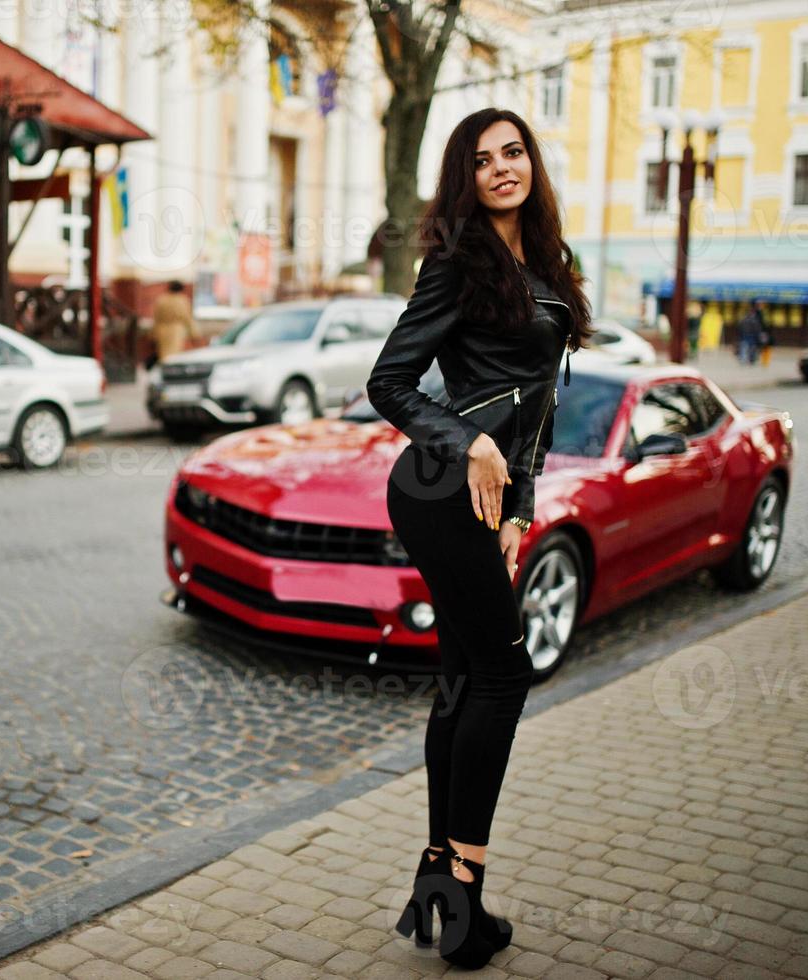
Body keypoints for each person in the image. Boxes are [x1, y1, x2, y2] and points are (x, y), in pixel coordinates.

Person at [366, 108, 594, 968]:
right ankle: (463, 893)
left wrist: (521, 506)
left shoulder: (547, 264)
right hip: (437, 487)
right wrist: (470, 443)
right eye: (484, 158)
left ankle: (440, 885)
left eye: (515, 151)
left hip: (489, 498)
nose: (503, 167)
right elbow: (387, 382)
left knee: (462, 681)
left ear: (531, 162)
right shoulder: (457, 262)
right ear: (464, 175)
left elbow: (537, 402)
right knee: (505, 672)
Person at [147, 280, 198, 368]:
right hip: (176, 330)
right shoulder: (182, 300)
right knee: (173, 354)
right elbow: (187, 318)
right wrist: (194, 332)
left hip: (162, 330)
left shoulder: (162, 299)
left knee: (164, 354)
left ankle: (164, 370)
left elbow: (156, 318)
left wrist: (153, 333)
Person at [737, 299, 764, 365]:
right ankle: (748, 360)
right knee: (749, 348)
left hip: (748, 335)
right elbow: (757, 328)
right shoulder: (753, 319)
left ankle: (747, 360)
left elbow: (740, 326)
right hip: (748, 335)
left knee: (747, 348)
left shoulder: (745, 319)